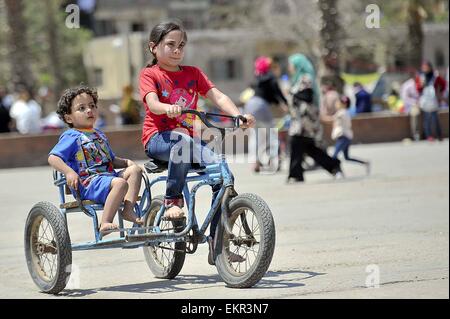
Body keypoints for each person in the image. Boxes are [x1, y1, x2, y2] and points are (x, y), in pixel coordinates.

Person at [139, 21, 255, 264]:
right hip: (158, 138)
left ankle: (217, 243)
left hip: (187, 142)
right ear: (153, 47)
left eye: (181, 45)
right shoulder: (150, 74)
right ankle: (172, 201)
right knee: (181, 141)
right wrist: (167, 108)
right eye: (170, 45)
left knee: (223, 175)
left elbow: (218, 96)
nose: (177, 50)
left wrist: (238, 116)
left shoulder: (193, 73)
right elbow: (152, 103)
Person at [48, 86, 143, 237]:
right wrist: (69, 172)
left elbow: (110, 160)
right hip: (88, 183)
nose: (89, 110)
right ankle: (105, 222)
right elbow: (53, 158)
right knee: (120, 183)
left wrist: (126, 163)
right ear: (68, 118)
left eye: (92, 106)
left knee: (136, 170)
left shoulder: (99, 134)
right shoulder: (71, 136)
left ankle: (128, 209)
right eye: (82, 108)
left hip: (107, 180)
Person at [286, 60, 342, 183]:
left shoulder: (305, 78)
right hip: (300, 120)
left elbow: (307, 96)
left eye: (291, 64)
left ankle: (296, 174)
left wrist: (292, 94)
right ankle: (333, 165)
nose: (289, 67)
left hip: (305, 121)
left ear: (298, 65)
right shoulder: (298, 79)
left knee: (296, 143)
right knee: (308, 147)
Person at [244, 56, 288, 172]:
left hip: (250, 104)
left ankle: (255, 162)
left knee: (255, 136)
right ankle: (274, 160)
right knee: (272, 134)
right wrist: (285, 103)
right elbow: (277, 93)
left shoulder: (258, 78)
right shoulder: (271, 77)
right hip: (261, 106)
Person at [332, 95, 370, 174]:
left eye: (339, 102)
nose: (337, 104)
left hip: (343, 136)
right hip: (346, 136)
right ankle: (364, 163)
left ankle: (338, 172)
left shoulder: (342, 113)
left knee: (334, 156)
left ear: (344, 104)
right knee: (346, 157)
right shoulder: (346, 112)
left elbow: (332, 118)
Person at [415, 61, 446, 141]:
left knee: (435, 119)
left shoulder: (435, 76)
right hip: (425, 101)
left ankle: (439, 135)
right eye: (423, 67)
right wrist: (420, 86)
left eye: (426, 67)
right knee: (426, 120)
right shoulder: (421, 76)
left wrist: (440, 93)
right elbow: (418, 88)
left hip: (434, 100)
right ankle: (428, 136)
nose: (425, 69)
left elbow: (443, 84)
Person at [400, 71, 421, 140]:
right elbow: (404, 98)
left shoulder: (421, 83)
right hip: (412, 105)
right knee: (415, 113)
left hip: (422, 104)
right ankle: (416, 134)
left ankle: (428, 133)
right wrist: (415, 102)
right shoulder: (407, 84)